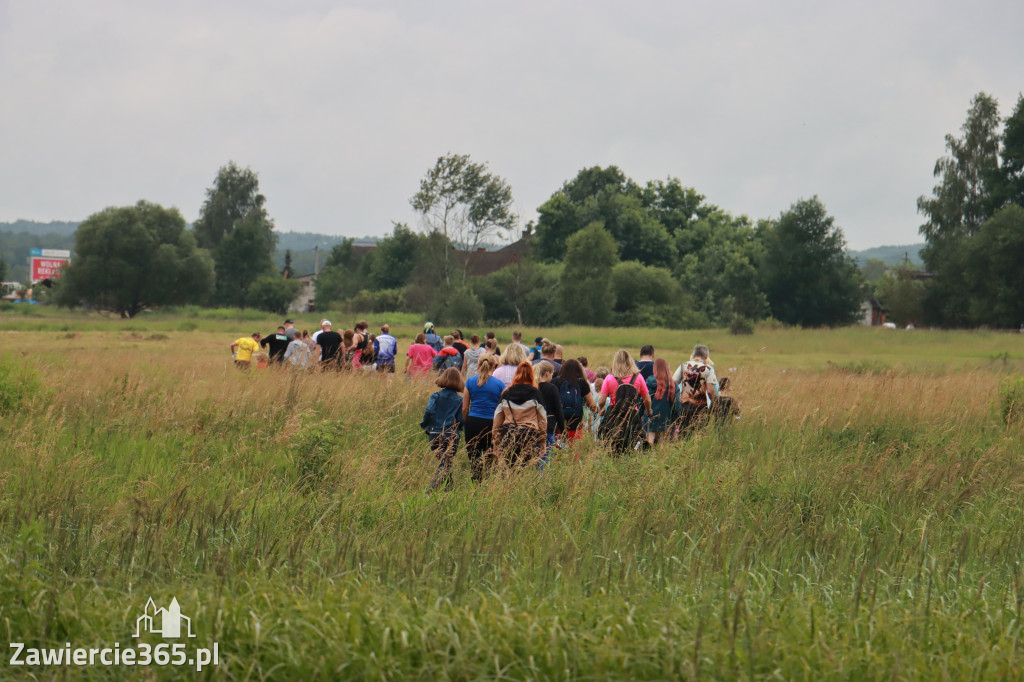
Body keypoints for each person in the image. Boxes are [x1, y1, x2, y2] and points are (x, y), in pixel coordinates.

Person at [491, 362, 547, 468]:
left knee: (508, 471)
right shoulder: (536, 394)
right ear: (532, 375)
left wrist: (496, 441)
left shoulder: (506, 394)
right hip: (530, 436)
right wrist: (542, 441)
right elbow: (542, 420)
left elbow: (497, 419)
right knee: (528, 472)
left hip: (509, 435)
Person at [597, 350, 653, 453]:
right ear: (630, 362)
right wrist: (649, 410)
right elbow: (647, 399)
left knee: (609, 438)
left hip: (613, 415)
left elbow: (601, 401)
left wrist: (602, 410)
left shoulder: (609, 378)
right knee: (634, 438)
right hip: (632, 415)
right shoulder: (638, 377)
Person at [461, 355, 504, 482]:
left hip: (473, 421)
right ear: (494, 366)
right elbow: (503, 408)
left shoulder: (470, 382)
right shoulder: (500, 384)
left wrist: (466, 421)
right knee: (491, 456)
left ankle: (476, 485)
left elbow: (464, 408)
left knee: (474, 457)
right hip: (492, 423)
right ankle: (489, 485)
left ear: (478, 365)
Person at [421, 368, 465, 493]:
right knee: (445, 463)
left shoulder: (435, 396)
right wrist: (460, 429)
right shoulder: (459, 400)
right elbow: (461, 419)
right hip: (451, 434)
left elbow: (429, 410)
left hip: (434, 433)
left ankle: (449, 491)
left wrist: (425, 424)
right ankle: (429, 491)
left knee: (444, 463)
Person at [554, 359, 599, 442]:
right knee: (574, 452)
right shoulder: (582, 383)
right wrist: (597, 413)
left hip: (557, 424)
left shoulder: (556, 381)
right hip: (576, 424)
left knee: (558, 450)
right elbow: (592, 405)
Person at [535, 361, 565, 468]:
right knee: (546, 459)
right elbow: (558, 410)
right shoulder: (552, 388)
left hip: (534, 427)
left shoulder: (533, 387)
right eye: (552, 374)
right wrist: (563, 428)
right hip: (550, 427)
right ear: (547, 373)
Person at [645, 358, 681, 445]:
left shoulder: (649, 382)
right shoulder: (672, 384)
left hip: (650, 417)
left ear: (654, 369)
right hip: (666, 418)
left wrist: (641, 414)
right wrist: (677, 419)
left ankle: (646, 457)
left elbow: (644, 399)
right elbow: (677, 405)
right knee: (662, 445)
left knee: (649, 442)